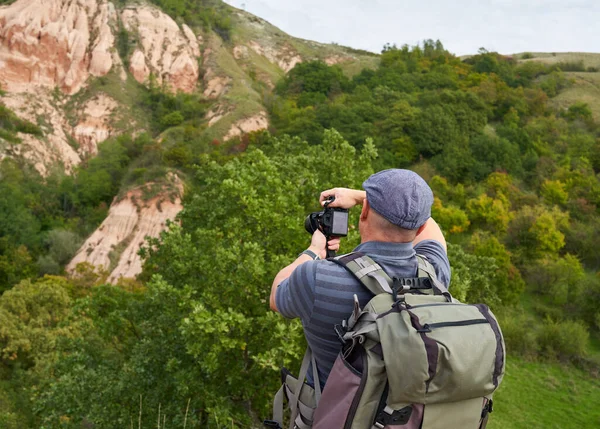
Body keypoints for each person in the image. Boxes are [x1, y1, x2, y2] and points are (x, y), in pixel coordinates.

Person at [269, 169, 450, 388]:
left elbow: (277, 293)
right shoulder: (433, 273)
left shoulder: (317, 277)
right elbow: (429, 225)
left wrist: (314, 250)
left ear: (364, 212)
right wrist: (361, 196)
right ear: (419, 227)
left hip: (334, 416)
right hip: (402, 417)